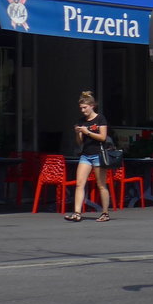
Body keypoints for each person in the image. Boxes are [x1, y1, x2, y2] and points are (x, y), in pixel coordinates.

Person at [65, 91, 112, 222]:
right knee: (79, 183)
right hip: (86, 155)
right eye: (81, 108)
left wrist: (88, 132)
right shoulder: (81, 121)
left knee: (101, 184)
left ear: (92, 106)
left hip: (98, 154)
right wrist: (78, 133)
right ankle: (77, 212)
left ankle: (105, 213)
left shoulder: (100, 118)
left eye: (85, 107)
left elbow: (103, 137)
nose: (83, 110)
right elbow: (80, 142)